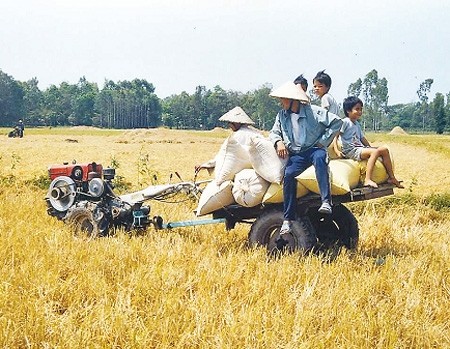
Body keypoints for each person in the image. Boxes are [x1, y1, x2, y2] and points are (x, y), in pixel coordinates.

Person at [269, 81, 343, 235]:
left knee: (320, 159)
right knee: (289, 175)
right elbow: (274, 132)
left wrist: (323, 142)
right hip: (297, 154)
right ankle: (287, 219)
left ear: (292, 100)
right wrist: (278, 142)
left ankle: (326, 201)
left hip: (313, 149)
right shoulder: (281, 116)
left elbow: (337, 122)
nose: (281, 103)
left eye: (283, 100)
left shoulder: (313, 112)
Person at [333, 96, 403, 188]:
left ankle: (391, 177)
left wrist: (370, 147)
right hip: (351, 150)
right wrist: (337, 151)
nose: (360, 112)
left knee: (384, 150)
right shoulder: (345, 122)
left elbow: (362, 139)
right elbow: (335, 136)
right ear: (348, 111)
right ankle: (367, 179)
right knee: (375, 152)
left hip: (359, 148)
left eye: (361, 109)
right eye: (357, 109)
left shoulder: (357, 124)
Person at [195, 106, 261, 173]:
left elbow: (224, 156)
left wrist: (206, 165)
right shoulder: (256, 133)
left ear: (236, 123)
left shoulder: (236, 136)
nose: (229, 126)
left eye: (230, 123)